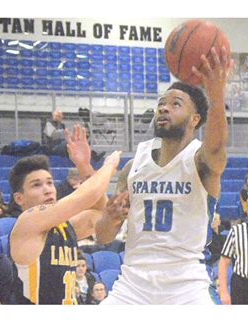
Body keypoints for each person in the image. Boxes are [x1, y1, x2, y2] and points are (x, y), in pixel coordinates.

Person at [95, 46, 231, 304]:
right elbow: (103, 237)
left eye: (175, 104)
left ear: (195, 119)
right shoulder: (133, 167)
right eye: (161, 104)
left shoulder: (201, 161)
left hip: (186, 284)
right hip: (133, 283)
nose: (164, 109)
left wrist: (216, 95)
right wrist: (110, 219)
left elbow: (216, 146)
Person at [8, 125, 121, 304]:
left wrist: (84, 166)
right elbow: (90, 194)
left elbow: (101, 213)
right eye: (36, 185)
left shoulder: (65, 227)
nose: (47, 190)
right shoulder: (27, 222)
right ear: (19, 198)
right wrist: (109, 166)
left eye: (50, 183)